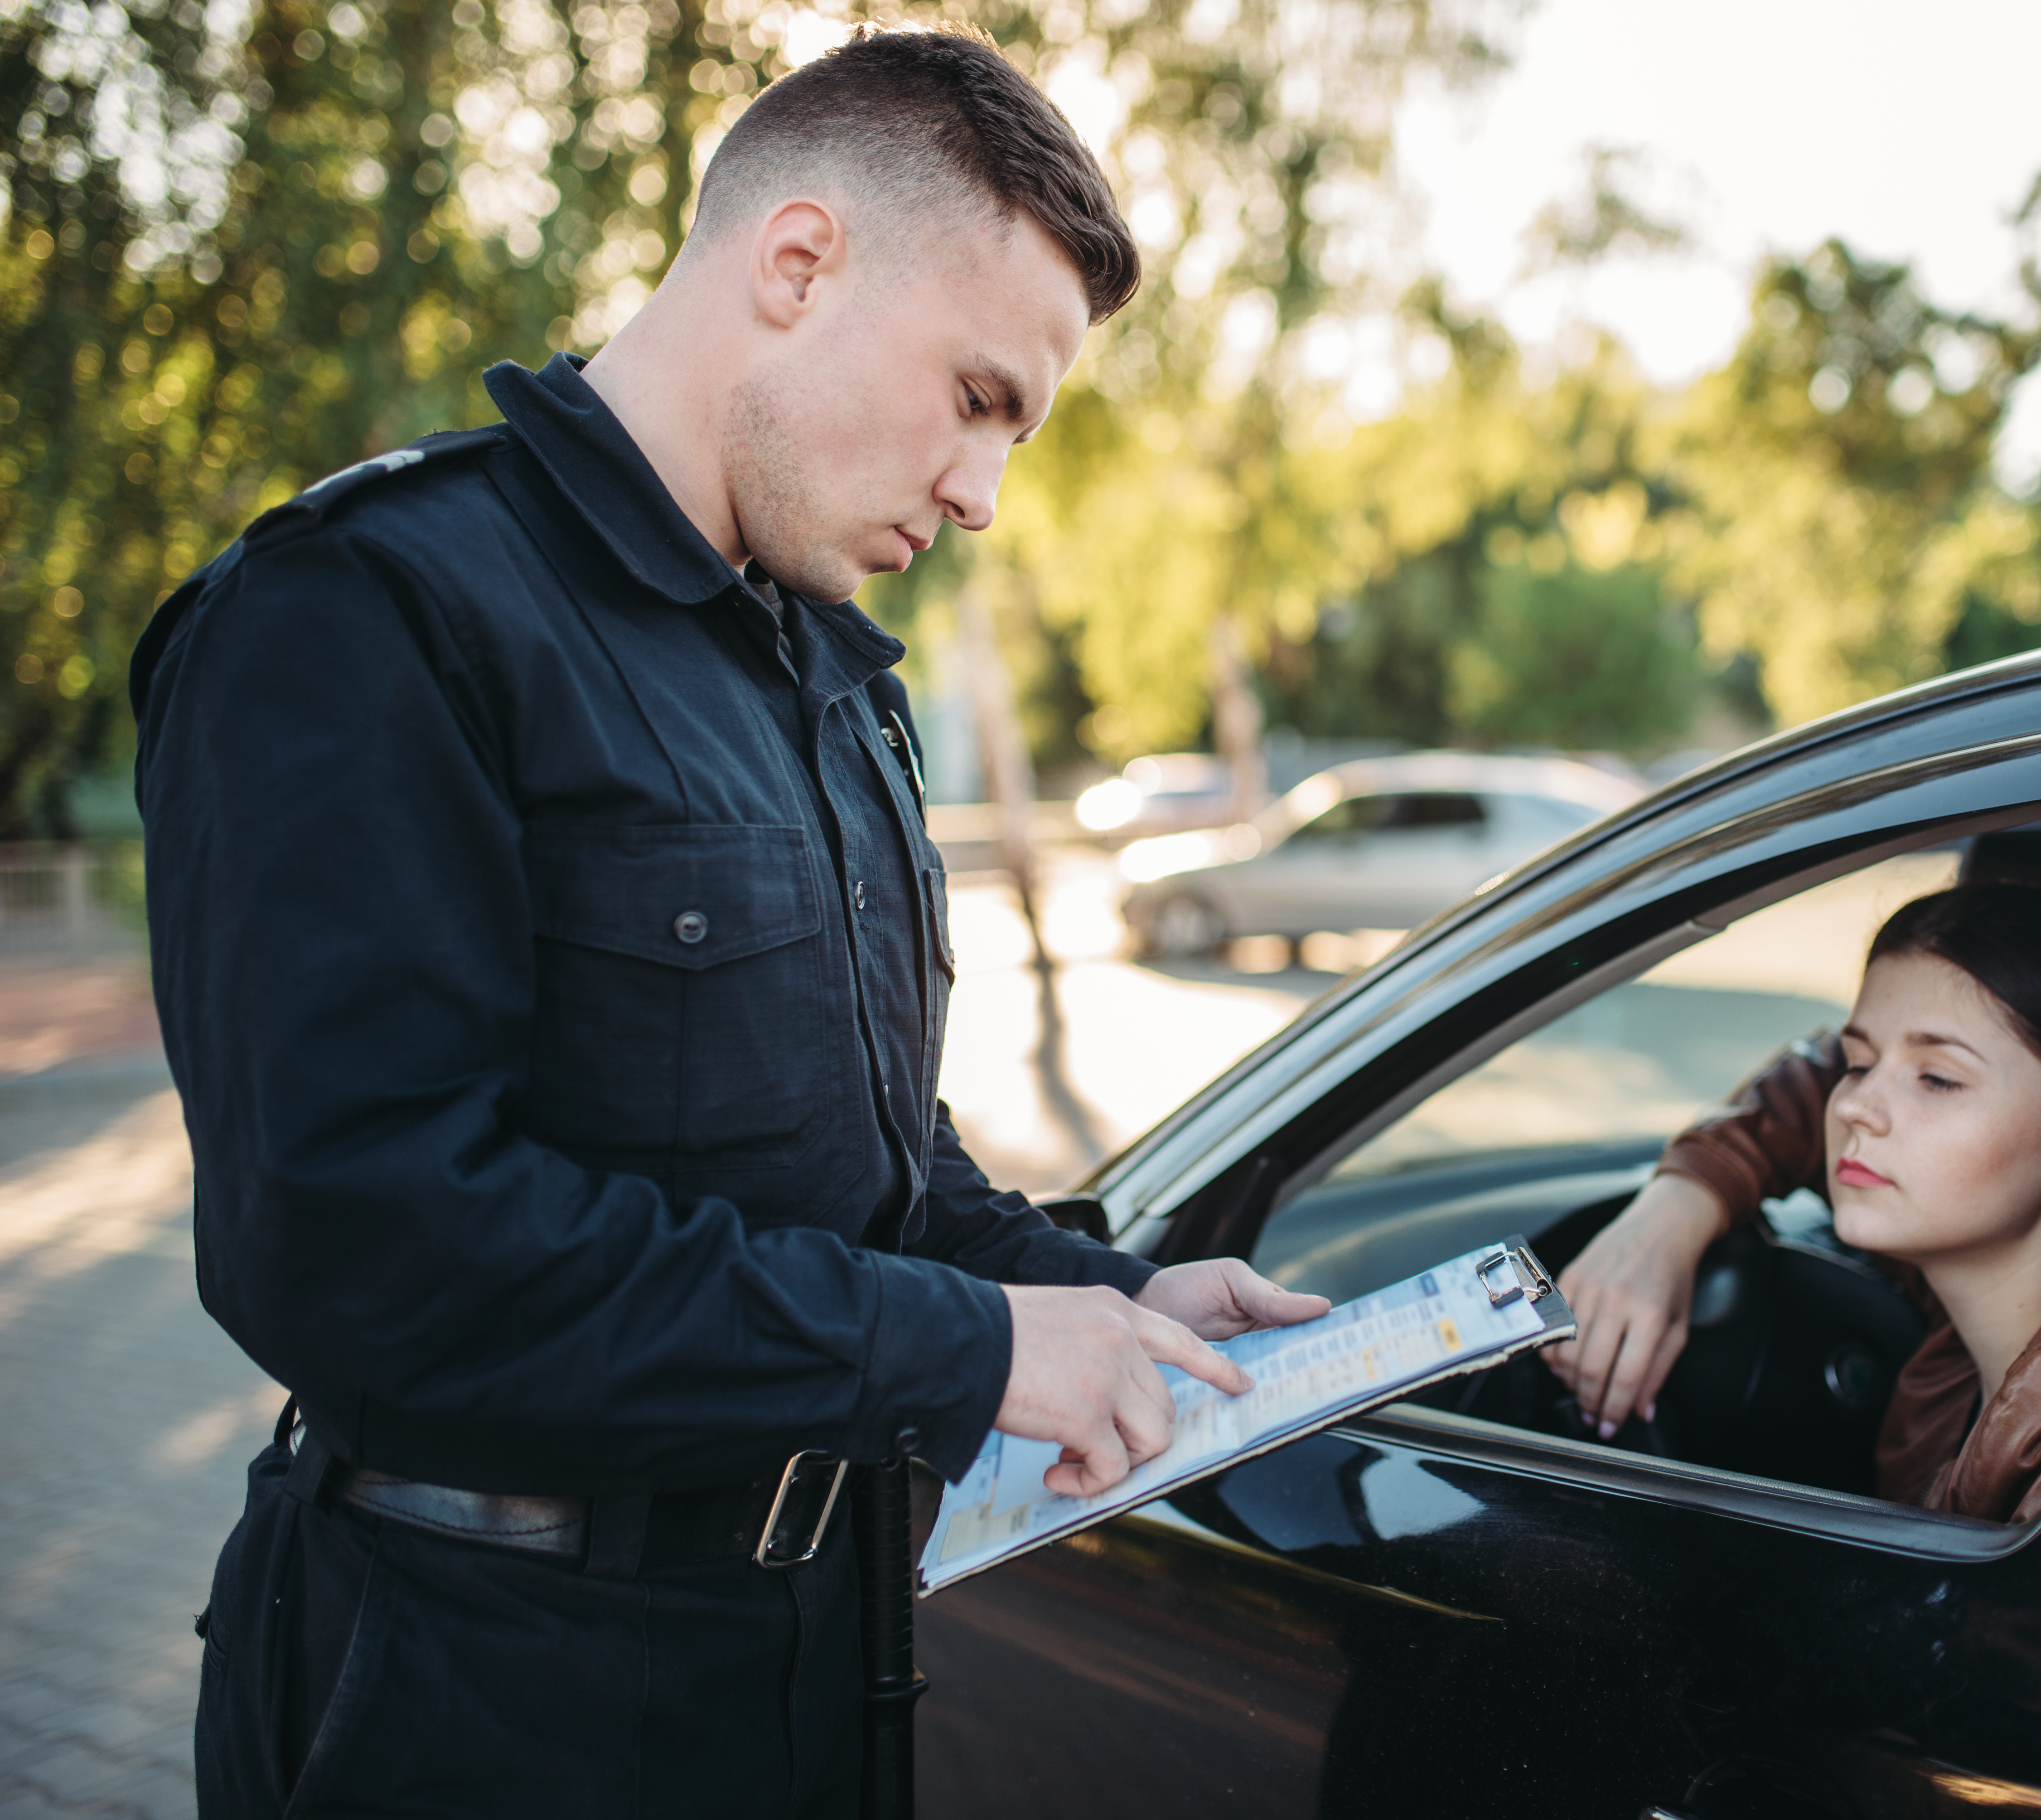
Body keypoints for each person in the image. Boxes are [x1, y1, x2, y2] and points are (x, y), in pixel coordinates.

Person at [132, 25, 1324, 1816]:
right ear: (796, 263)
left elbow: (864, 1167)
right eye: (980, 395)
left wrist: (1106, 1295)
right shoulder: (375, 608)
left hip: (807, 1663)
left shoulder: (826, 672)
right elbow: (359, 1240)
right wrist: (967, 1353)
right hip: (479, 1692)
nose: (983, 491)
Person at [1546, 881, 2041, 1523]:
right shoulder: (1990, 1282)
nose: (1854, 1106)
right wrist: (1675, 1211)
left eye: (1936, 1079)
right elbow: (1812, 1085)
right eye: (1861, 1063)